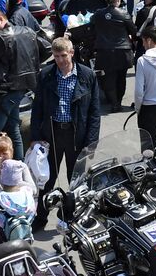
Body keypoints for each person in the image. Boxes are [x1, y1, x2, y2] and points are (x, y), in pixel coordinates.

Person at [29, 37, 103, 229]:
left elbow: (95, 111)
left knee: (76, 180)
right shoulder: (46, 75)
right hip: (51, 135)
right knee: (46, 179)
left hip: (76, 135)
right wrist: (36, 138)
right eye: (56, 56)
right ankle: (40, 218)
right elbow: (37, 108)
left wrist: (91, 142)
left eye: (63, 55)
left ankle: (71, 217)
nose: (60, 60)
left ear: (71, 53)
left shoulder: (86, 75)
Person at [0, 9, 41, 160]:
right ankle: (18, 165)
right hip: (25, 86)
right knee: (13, 130)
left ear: (1, 19)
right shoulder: (27, 31)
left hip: (7, 89)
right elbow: (43, 49)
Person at [92, 0, 136, 111]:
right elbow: (133, 30)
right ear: (118, 1)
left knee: (109, 77)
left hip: (104, 50)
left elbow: (91, 24)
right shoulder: (124, 14)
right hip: (122, 50)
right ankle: (118, 102)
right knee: (121, 77)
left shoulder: (98, 13)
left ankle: (114, 102)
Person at [0, 158, 36, 241]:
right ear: (19, 178)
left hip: (4, 244)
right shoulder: (28, 197)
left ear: (2, 177)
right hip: (25, 240)